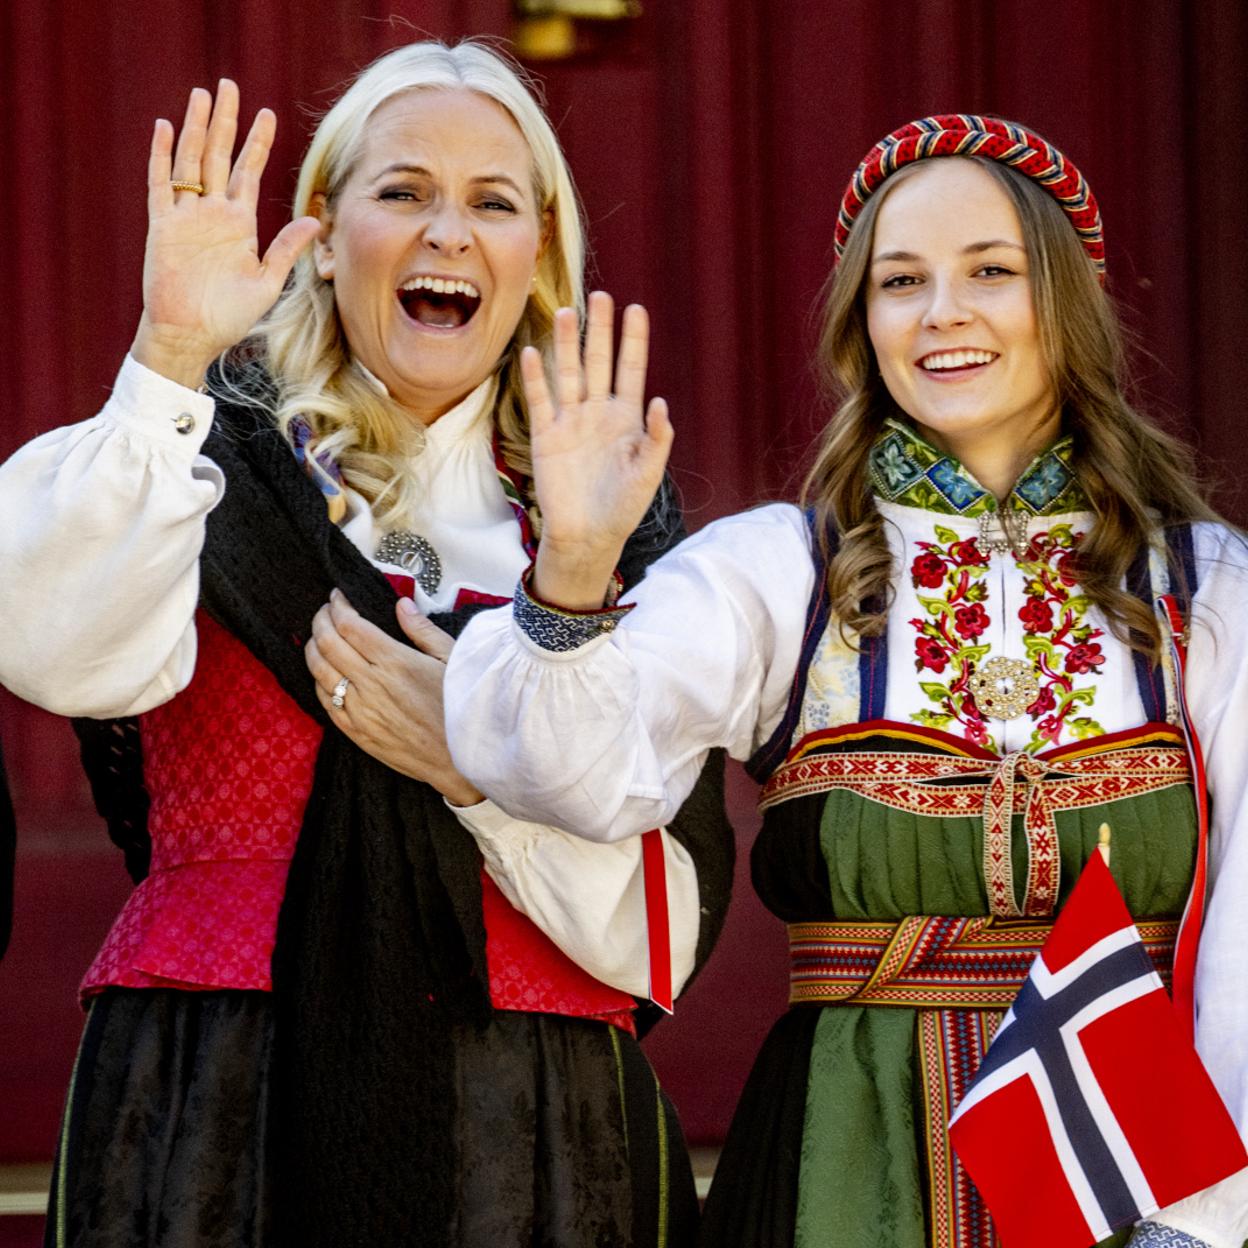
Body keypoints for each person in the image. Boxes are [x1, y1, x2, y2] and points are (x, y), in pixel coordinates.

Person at [443, 115, 1248, 1248]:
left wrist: (1207, 1224)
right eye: (900, 280)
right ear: (862, 325)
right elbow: (567, 779)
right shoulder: (781, 570)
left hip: (1137, 1173)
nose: (941, 313)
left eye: (991, 273)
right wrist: (572, 569)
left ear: (1066, 302)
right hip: (843, 1168)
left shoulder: (1202, 588)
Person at [0, 39, 732, 1248]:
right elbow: (47, 641)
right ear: (325, 236)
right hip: (216, 1095)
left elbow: (662, 922)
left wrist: (473, 766)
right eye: (402, 192)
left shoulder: (602, 522)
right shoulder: (199, 454)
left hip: (533, 1117)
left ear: (537, 257)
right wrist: (169, 353)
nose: (448, 230)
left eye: (492, 203)